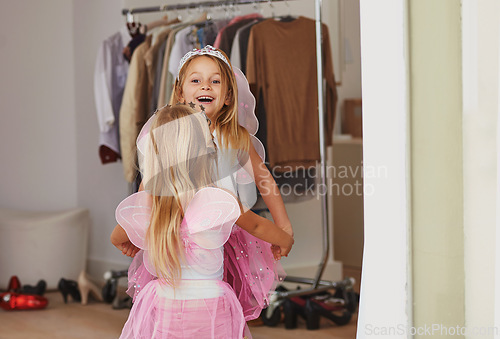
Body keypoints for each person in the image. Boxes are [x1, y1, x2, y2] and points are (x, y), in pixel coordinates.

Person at [111, 104, 294, 338]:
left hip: (164, 302)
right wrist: (285, 239)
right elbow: (258, 225)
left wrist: (129, 243)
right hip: (211, 302)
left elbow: (117, 237)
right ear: (204, 148)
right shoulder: (218, 197)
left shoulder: (151, 201)